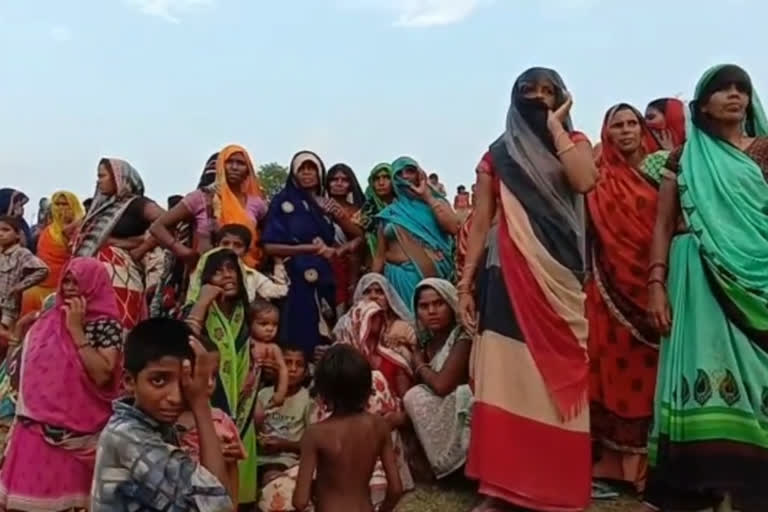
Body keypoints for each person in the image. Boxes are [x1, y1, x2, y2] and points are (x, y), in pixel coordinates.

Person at [458, 67, 598, 512]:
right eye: (528, 91)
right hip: (507, 275)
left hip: (560, 278)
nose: (538, 98)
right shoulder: (497, 155)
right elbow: (480, 221)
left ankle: (556, 484)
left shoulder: (574, 145)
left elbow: (584, 181)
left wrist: (558, 127)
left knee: (556, 378)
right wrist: (465, 283)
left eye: (548, 91)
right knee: (507, 379)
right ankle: (501, 489)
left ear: (562, 97)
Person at [643, 64, 768, 512]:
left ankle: (748, 485)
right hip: (693, 273)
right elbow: (661, 225)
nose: (734, 96)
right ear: (703, 104)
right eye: (723, 90)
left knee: (756, 375)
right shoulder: (682, 158)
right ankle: (699, 486)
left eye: (742, 89)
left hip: (756, 279)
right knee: (702, 363)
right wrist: (656, 283)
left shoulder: (765, 153)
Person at [0, 257, 123, 511]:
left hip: (77, 436)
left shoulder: (106, 325)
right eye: (65, 280)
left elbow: (103, 375)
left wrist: (76, 331)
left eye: (76, 281)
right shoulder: (47, 320)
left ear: (95, 283)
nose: (68, 287)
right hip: (33, 429)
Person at [586, 104, 661, 493]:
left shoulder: (663, 171)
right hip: (610, 294)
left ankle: (655, 464)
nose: (627, 131)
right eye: (618, 125)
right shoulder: (598, 180)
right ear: (607, 132)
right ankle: (618, 466)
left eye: (633, 123)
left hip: (658, 287)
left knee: (655, 376)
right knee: (617, 373)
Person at [90, 318, 233, 511]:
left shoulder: (154, 425)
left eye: (184, 382)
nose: (175, 397)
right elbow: (217, 506)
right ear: (129, 381)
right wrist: (200, 403)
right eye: (158, 380)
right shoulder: (128, 436)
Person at [184, 247, 260, 505]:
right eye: (217, 271)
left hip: (242, 398)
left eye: (231, 270)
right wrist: (203, 301)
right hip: (210, 397)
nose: (227, 276)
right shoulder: (198, 309)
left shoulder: (241, 310)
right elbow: (185, 342)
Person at [293, 344, 404, 512]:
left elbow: (300, 501)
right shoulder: (379, 425)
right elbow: (396, 489)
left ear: (323, 391)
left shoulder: (315, 434)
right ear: (367, 387)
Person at [72, 158, 164, 329]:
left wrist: (139, 246)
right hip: (94, 277)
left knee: (119, 324)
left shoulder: (136, 204)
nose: (98, 182)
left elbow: (167, 222)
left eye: (102, 176)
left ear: (119, 177)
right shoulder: (101, 208)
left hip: (121, 277)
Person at [261, 150, 337, 355]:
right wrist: (308, 249)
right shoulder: (282, 201)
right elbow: (269, 246)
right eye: (301, 169)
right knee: (299, 332)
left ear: (319, 172)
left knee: (328, 334)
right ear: (294, 173)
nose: (306, 173)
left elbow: (351, 237)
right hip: (295, 277)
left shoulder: (327, 204)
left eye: (311, 168)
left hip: (327, 278)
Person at [150, 146, 267, 269]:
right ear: (220, 166)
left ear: (248, 170)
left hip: (248, 273)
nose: (234, 167)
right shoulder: (201, 198)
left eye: (240, 163)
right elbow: (157, 227)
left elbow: (268, 235)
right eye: (229, 162)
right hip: (208, 274)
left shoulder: (257, 203)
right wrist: (183, 251)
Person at [403, 278, 472, 480]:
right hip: (443, 407)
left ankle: (458, 465)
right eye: (424, 306)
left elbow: (442, 385)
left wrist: (419, 363)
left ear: (452, 305)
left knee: (415, 396)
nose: (432, 311)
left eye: (438, 303)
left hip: (464, 408)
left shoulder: (463, 337)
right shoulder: (427, 344)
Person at [372, 157, 459, 312]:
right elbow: (379, 255)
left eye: (410, 171)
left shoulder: (436, 203)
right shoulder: (390, 213)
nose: (405, 176)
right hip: (398, 281)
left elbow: (453, 228)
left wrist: (427, 196)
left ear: (419, 174)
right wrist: (371, 284)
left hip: (433, 278)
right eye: (399, 173)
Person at [176, 338, 247, 504]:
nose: (208, 383)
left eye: (214, 376)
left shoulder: (221, 420)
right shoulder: (166, 419)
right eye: (199, 375)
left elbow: (232, 470)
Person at [332, 273, 416, 397]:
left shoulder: (403, 328)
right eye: (367, 292)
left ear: (388, 297)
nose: (373, 296)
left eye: (379, 292)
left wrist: (401, 348)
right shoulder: (345, 325)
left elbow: (416, 360)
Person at [21, 191, 84, 317]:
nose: (61, 208)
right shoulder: (48, 230)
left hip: (68, 283)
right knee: (28, 294)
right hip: (42, 282)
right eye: (57, 204)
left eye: (65, 204)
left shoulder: (82, 229)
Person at [255, 346, 311, 485]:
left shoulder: (307, 400)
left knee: (270, 477)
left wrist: (284, 445)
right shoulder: (263, 394)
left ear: (305, 372)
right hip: (257, 458)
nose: (292, 369)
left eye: (299, 365)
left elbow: (311, 444)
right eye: (287, 363)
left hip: (285, 461)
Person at [321, 163, 365, 315]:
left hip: (350, 267)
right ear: (327, 183)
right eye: (334, 179)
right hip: (321, 261)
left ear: (350, 184)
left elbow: (363, 238)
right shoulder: (316, 205)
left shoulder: (359, 210)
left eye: (344, 180)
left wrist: (342, 218)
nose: (339, 183)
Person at [0, 216, 48, 342]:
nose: (1, 233)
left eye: (6, 230)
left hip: (8, 308)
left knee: (7, 341)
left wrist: (20, 286)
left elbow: (42, 269)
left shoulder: (21, 253)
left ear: (17, 235)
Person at [215, 223, 289, 302]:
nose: (230, 249)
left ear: (246, 251)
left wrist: (278, 263)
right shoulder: (205, 270)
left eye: (238, 245)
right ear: (216, 246)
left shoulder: (252, 275)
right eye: (225, 243)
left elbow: (281, 291)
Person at [358, 163, 396, 260]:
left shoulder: (403, 206)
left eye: (386, 177)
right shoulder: (367, 209)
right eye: (376, 179)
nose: (381, 183)